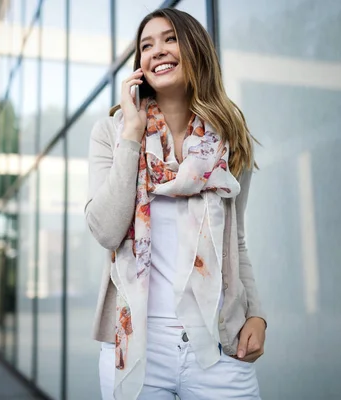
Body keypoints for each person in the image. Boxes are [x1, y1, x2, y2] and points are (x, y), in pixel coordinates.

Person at [85, 8, 267, 400]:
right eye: (146, 46)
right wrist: (133, 133)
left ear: (194, 49)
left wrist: (256, 313)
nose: (157, 51)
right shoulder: (110, 134)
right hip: (137, 345)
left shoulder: (229, 140)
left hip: (219, 344)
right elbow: (106, 229)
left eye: (169, 39)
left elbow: (236, 242)